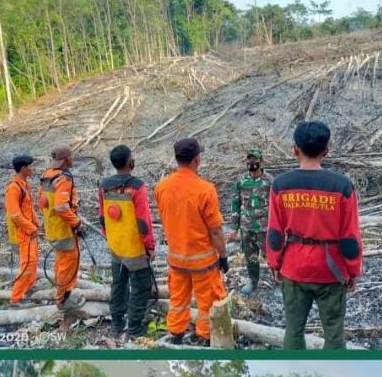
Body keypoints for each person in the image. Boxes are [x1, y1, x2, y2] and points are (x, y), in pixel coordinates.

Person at [266, 121, 362, 349]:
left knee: (294, 330)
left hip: (294, 268)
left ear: (294, 149)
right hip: (331, 270)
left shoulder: (280, 185)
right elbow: (350, 237)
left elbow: (275, 233)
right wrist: (353, 271)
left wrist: (275, 264)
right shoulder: (342, 186)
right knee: (334, 335)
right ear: (326, 151)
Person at [154, 138, 229, 346]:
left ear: (176, 158)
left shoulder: (161, 187)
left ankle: (176, 334)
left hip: (176, 259)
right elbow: (215, 230)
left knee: (178, 300)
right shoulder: (205, 190)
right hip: (202, 261)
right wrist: (223, 257)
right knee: (208, 301)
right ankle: (204, 337)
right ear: (197, 159)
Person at [98, 145, 156, 340]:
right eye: (132, 157)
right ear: (129, 162)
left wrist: (111, 237)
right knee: (141, 287)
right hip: (134, 247)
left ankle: (116, 323)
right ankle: (134, 328)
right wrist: (149, 246)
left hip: (116, 246)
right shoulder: (137, 187)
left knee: (118, 284)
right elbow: (143, 221)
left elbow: (102, 217)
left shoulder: (104, 185)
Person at [39, 145, 84, 315]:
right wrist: (76, 222)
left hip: (51, 228)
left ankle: (62, 294)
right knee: (68, 264)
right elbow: (61, 207)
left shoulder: (46, 176)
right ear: (67, 159)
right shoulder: (64, 179)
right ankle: (63, 300)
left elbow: (41, 202)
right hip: (64, 230)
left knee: (60, 261)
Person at [226, 150, 274, 295]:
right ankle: (253, 281)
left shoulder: (270, 181)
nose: (252, 163)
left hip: (265, 228)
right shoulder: (241, 182)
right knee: (250, 257)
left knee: (272, 255)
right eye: (249, 160)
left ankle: (279, 278)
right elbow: (235, 203)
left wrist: (277, 226)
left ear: (262, 162)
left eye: (255, 160)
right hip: (247, 228)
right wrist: (234, 227)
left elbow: (277, 206)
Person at [6, 155, 40, 304]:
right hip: (24, 232)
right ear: (23, 168)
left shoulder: (24, 184)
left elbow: (28, 207)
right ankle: (15, 299)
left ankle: (29, 287)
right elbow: (15, 215)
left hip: (30, 231)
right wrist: (31, 228)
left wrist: (37, 222)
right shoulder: (14, 188)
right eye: (31, 166)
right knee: (27, 264)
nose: (33, 169)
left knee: (33, 261)